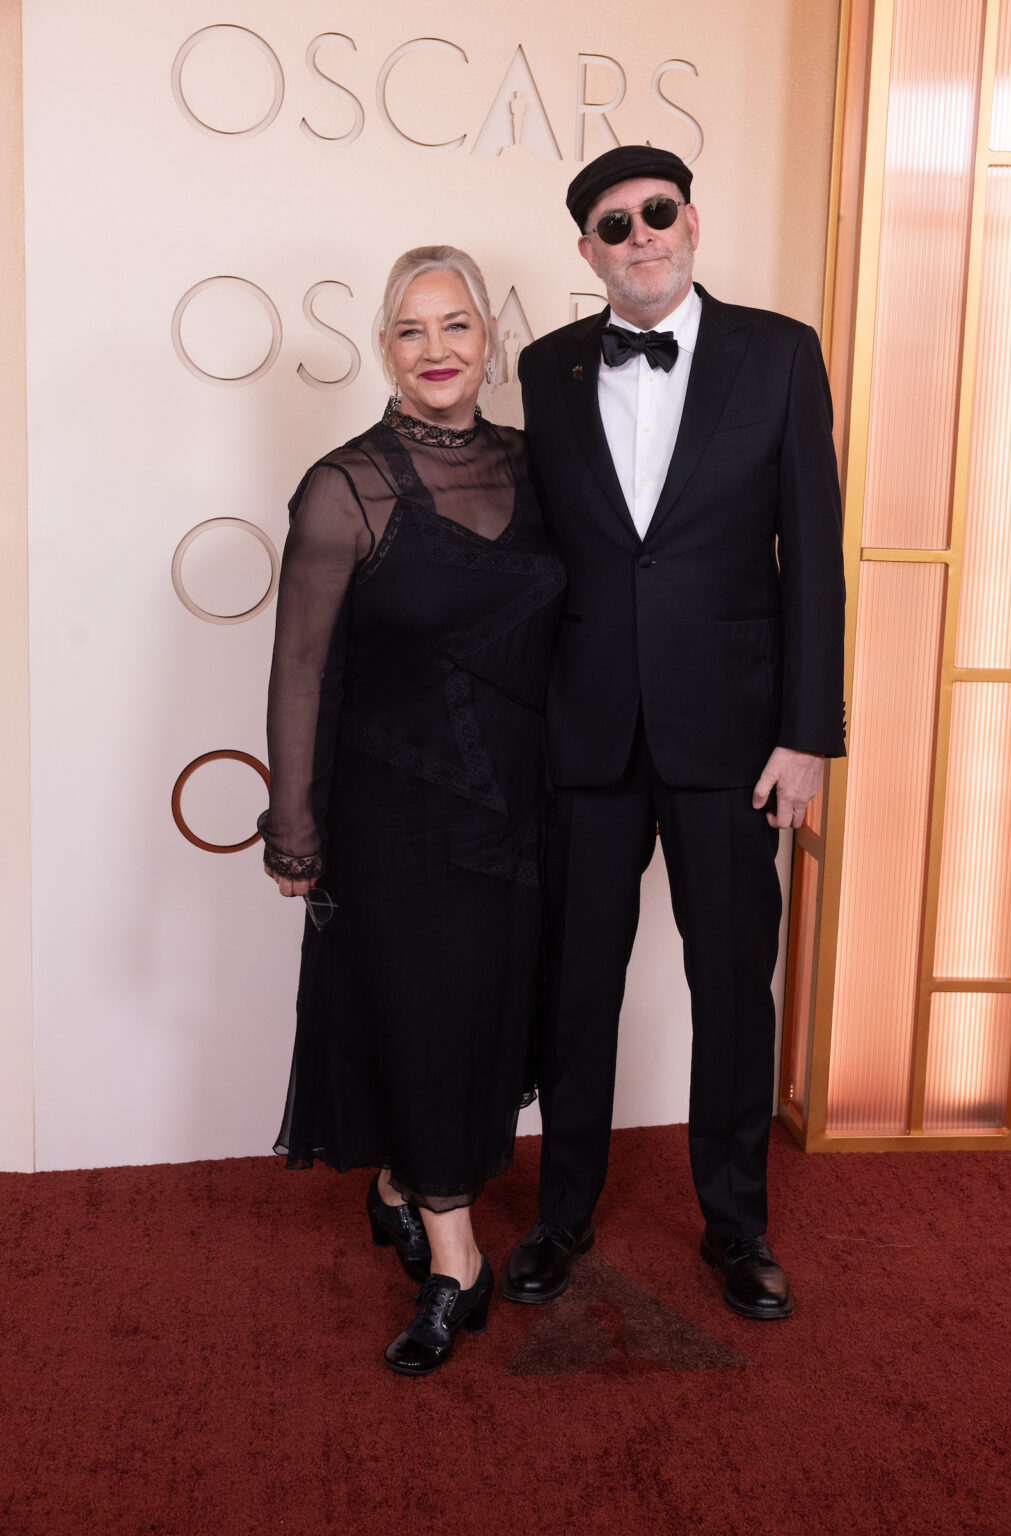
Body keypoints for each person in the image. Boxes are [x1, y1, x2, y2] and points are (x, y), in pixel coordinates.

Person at [502, 146, 845, 1321]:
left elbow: (812, 553)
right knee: (574, 989)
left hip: (735, 735)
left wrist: (806, 734)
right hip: (584, 733)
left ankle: (734, 1225)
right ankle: (562, 1214)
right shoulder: (545, 369)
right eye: (613, 224)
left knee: (731, 991)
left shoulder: (780, 352)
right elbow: (540, 558)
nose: (639, 235)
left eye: (657, 212)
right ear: (585, 250)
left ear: (689, 222)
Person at [259, 246, 565, 1374]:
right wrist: (292, 829)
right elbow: (299, 667)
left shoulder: (541, 468)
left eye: (454, 327)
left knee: (481, 1019)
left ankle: (397, 1180)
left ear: (486, 337)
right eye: (409, 331)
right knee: (426, 1015)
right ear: (382, 348)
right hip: (394, 810)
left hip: (517, 809)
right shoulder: (345, 485)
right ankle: (458, 1263)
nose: (434, 352)